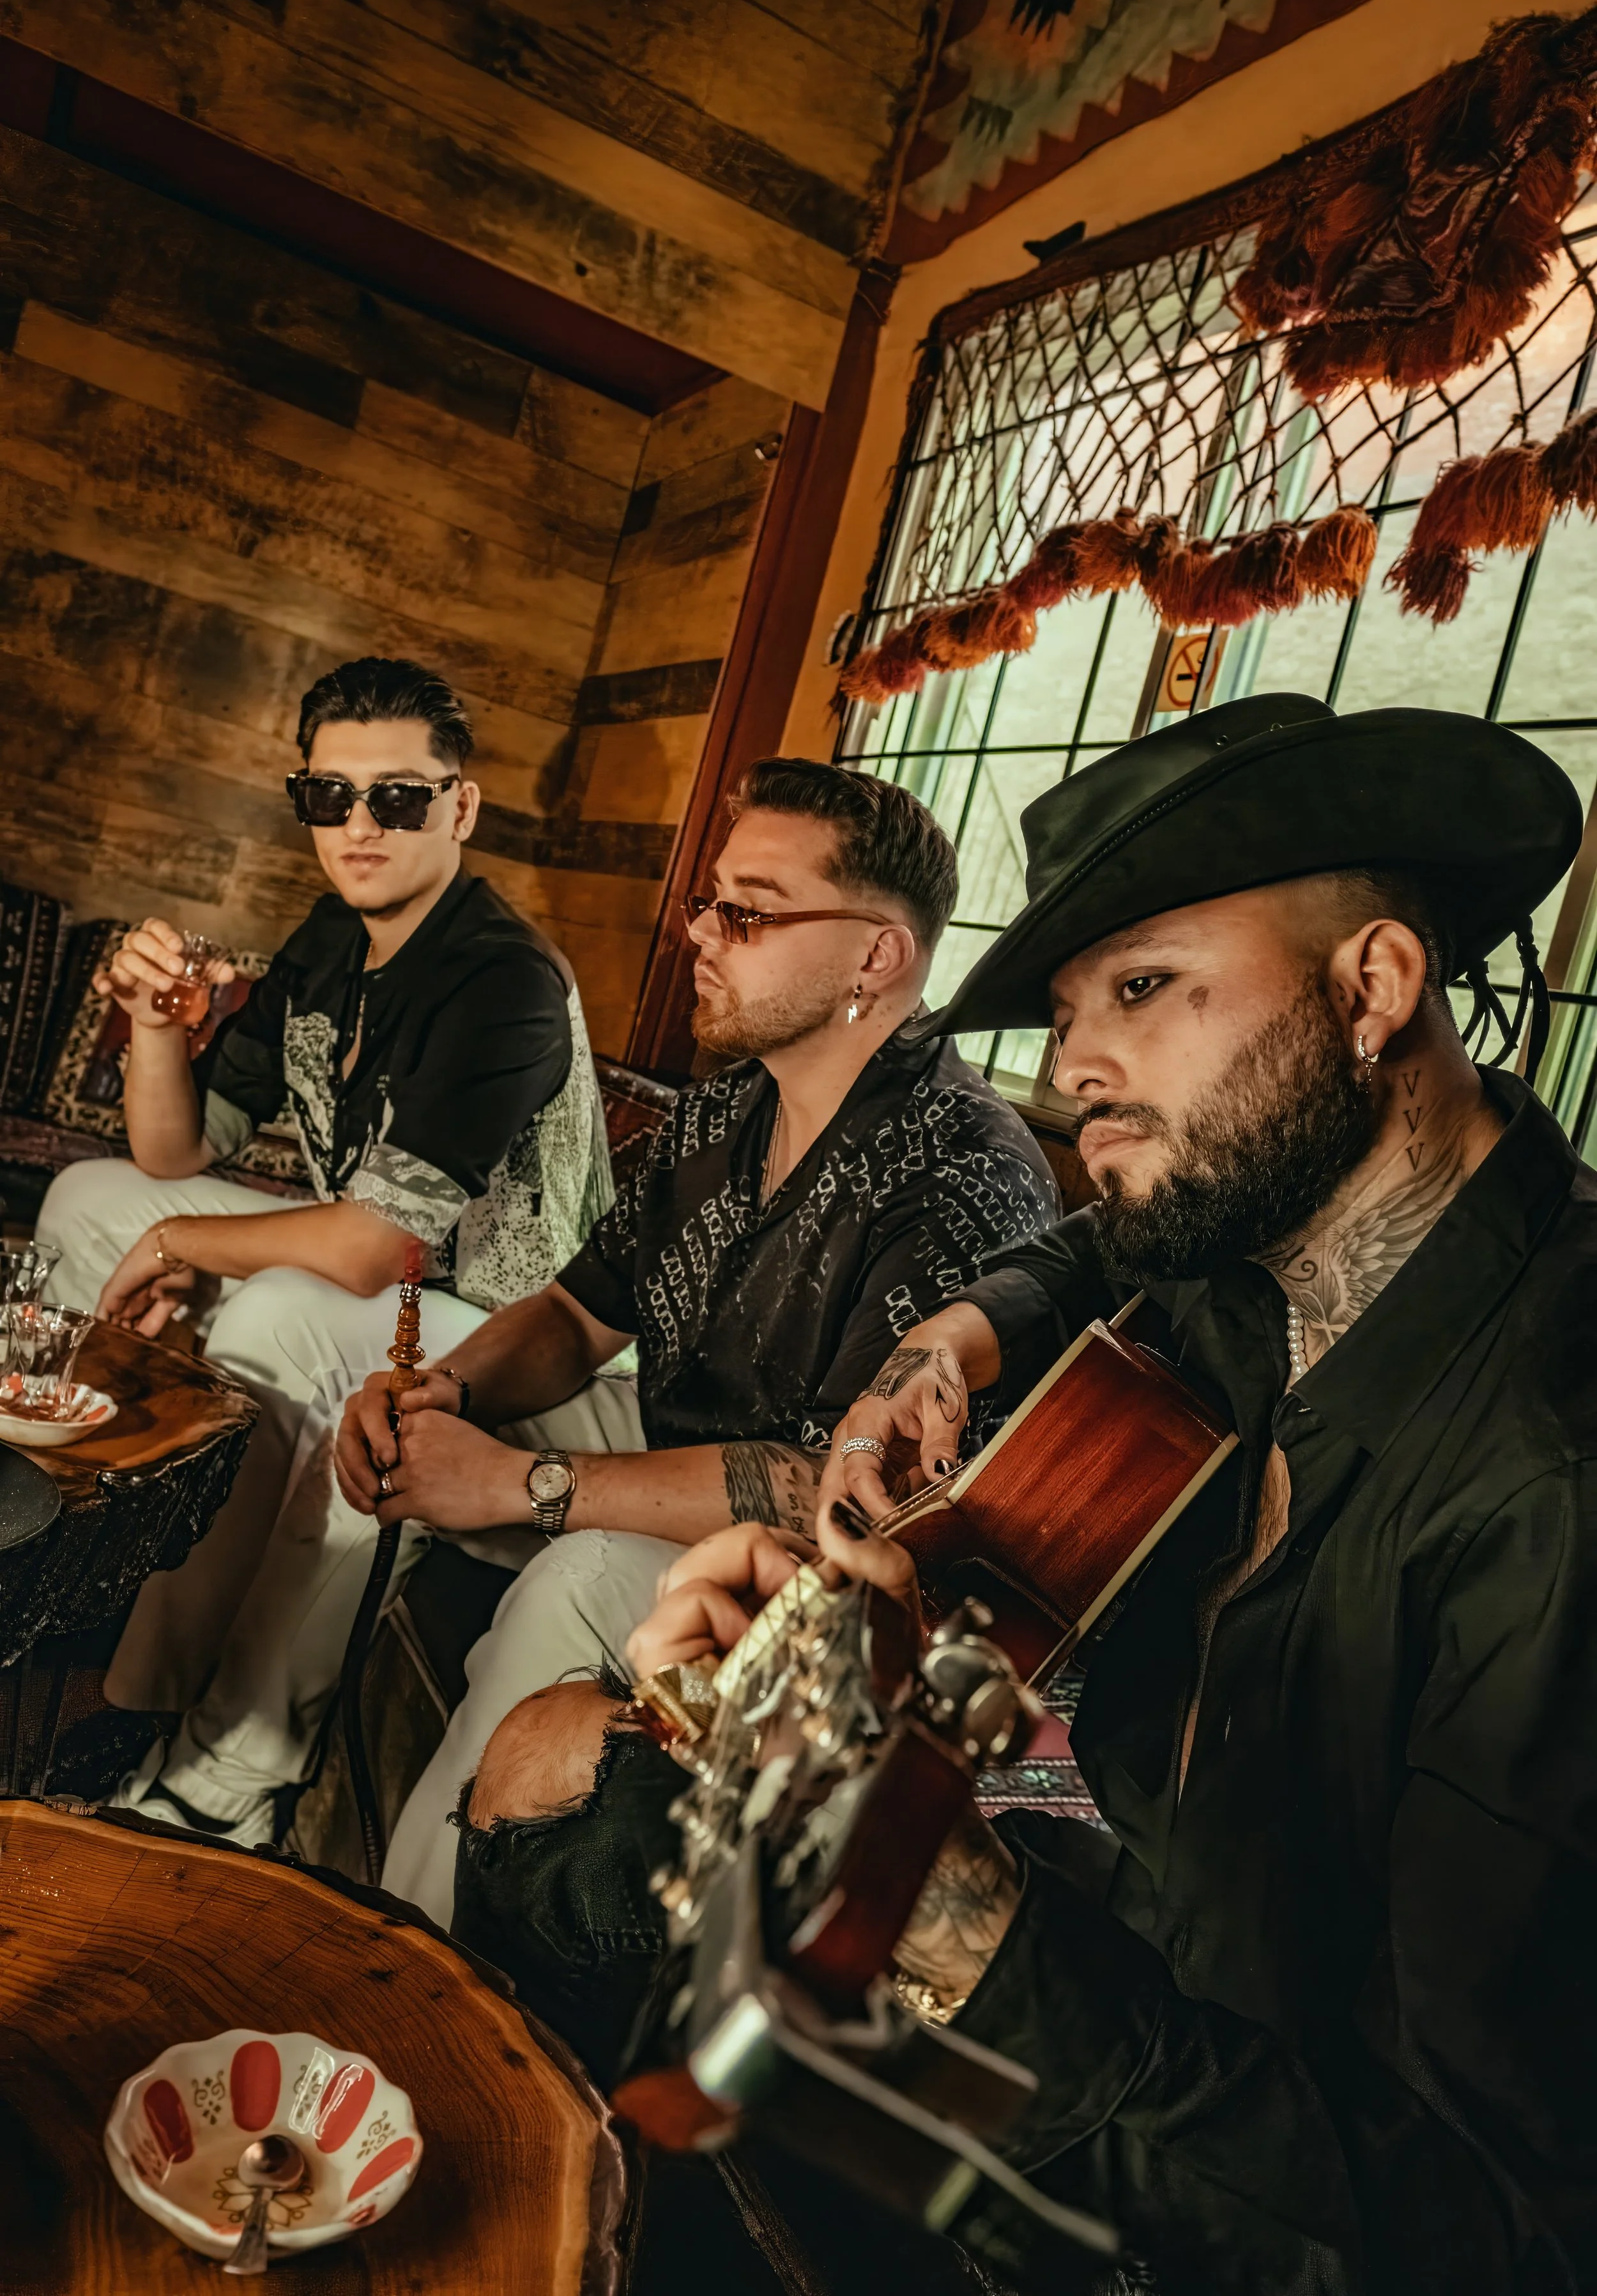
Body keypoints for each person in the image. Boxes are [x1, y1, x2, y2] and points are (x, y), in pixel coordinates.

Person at [454, 695, 1596, 2293]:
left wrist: (968, 1930)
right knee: (548, 1765)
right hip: (1100, 1892)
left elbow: (1495, 2239)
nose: (1073, 1071)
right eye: (1067, 1012)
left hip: (1212, 2155)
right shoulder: (1254, 1237)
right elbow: (1085, 1246)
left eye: (1143, 988)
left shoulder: (1548, 1485)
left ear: (1373, 986)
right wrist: (942, 1361)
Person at [332, 758, 1062, 1927]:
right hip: (678, 1441)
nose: (702, 937)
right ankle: (253, 1759)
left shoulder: (962, 1173)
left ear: (877, 957)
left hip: (825, 1594)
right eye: (709, 903)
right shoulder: (728, 1106)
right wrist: (446, 1389)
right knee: (371, 1375)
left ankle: (400, 1949)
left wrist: (524, 1484)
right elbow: (579, 1313)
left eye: (750, 911)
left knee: (576, 1578)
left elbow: (829, 1495)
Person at [38, 655, 611, 1759]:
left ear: (461, 806)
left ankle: (196, 1728)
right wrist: (153, 1023)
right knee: (84, 1199)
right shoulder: (328, 942)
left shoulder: (504, 981)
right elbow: (176, 1148)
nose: (360, 825)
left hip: (519, 1326)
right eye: (327, 796)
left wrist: (187, 1245)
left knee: (278, 1311)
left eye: (397, 797)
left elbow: (374, 1244)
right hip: (394, 1283)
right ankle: (82, 1560)